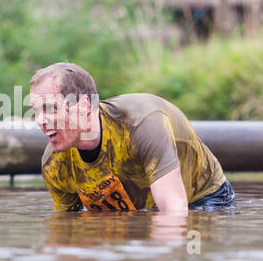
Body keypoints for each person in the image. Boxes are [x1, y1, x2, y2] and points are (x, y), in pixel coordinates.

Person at [29, 62, 236, 214]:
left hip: (203, 200)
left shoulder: (142, 126)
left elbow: (175, 213)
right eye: (36, 111)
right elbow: (64, 229)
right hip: (135, 210)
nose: (40, 120)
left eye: (50, 108)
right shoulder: (53, 164)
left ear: (82, 106)